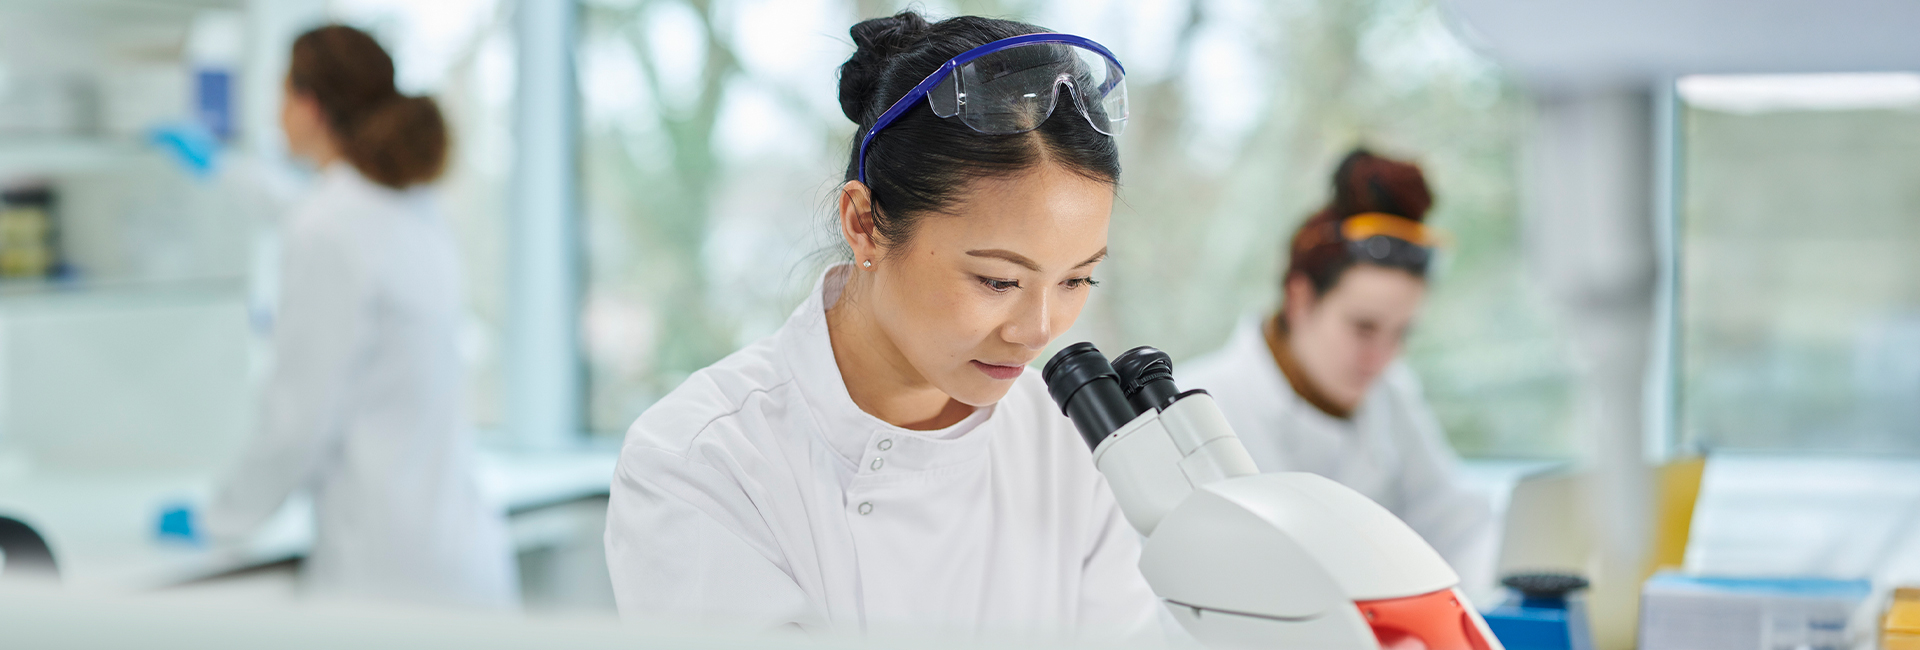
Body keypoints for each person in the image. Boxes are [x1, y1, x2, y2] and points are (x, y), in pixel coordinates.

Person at [603, 12, 1161, 640]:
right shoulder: (703, 460)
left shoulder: (1075, 446)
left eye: (1076, 280)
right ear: (864, 222)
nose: (1037, 331)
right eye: (997, 281)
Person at [202, 25, 516, 609]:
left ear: (309, 105)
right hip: (463, 560)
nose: (276, 112)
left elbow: (295, 421)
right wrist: (223, 171)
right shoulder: (413, 210)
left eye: (282, 93)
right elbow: (307, 211)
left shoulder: (328, 225)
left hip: (386, 577)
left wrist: (224, 517)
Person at [1181, 149, 1497, 591]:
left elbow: (1460, 527)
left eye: (1401, 333)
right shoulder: (1192, 409)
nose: (1383, 358)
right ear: (1300, 299)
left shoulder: (1391, 392)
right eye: (1363, 328)